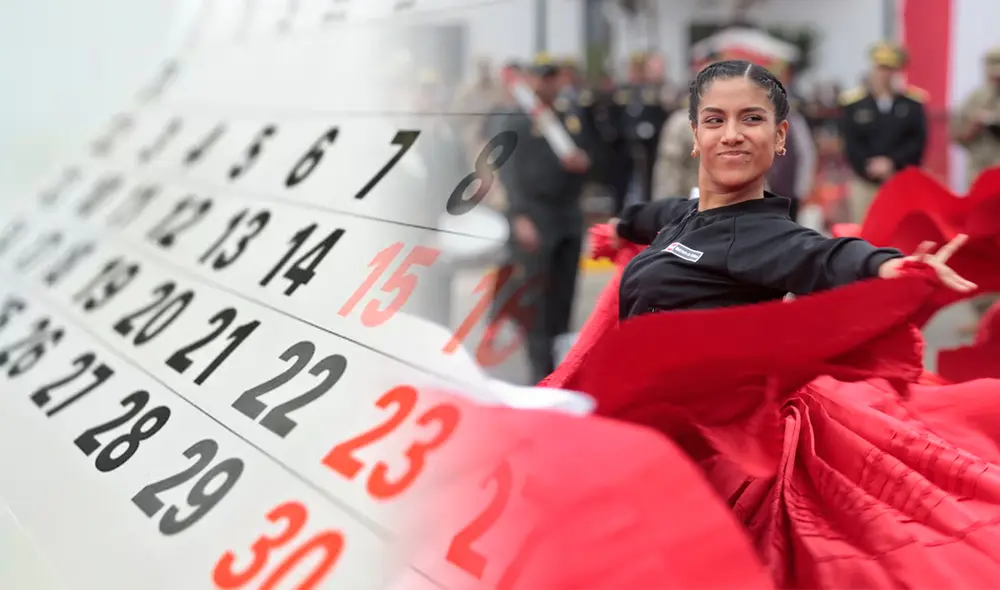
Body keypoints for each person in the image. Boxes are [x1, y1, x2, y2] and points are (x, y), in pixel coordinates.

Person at [608, 59, 973, 320]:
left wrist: (887, 264)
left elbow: (821, 256)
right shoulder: (689, 215)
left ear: (779, 136)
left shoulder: (764, 238)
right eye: (715, 120)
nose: (732, 134)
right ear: (696, 135)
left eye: (752, 118)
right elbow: (659, 213)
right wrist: (620, 226)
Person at [491, 55, 593, 383]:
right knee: (537, 300)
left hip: (567, 216)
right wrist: (518, 216)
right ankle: (540, 372)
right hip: (535, 216)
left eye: (552, 78)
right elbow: (507, 172)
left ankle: (561, 366)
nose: (546, 84)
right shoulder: (518, 119)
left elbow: (590, 157)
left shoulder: (568, 118)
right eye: (540, 78)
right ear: (530, 80)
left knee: (564, 295)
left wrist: (583, 165)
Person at [839, 42, 928, 223]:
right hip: (864, 180)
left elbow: (917, 141)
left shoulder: (911, 104)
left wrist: (892, 163)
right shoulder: (855, 104)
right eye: (881, 68)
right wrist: (869, 166)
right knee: (863, 231)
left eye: (890, 69)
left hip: (899, 180)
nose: (884, 75)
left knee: (898, 228)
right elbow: (850, 141)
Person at [950, 46, 1000, 334]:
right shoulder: (974, 100)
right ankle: (984, 315)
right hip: (980, 185)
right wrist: (978, 123)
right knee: (981, 247)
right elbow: (958, 136)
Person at [616, 51, 670, 206]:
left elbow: (660, 114)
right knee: (625, 183)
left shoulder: (655, 90)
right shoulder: (625, 90)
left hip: (649, 145)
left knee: (647, 182)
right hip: (627, 145)